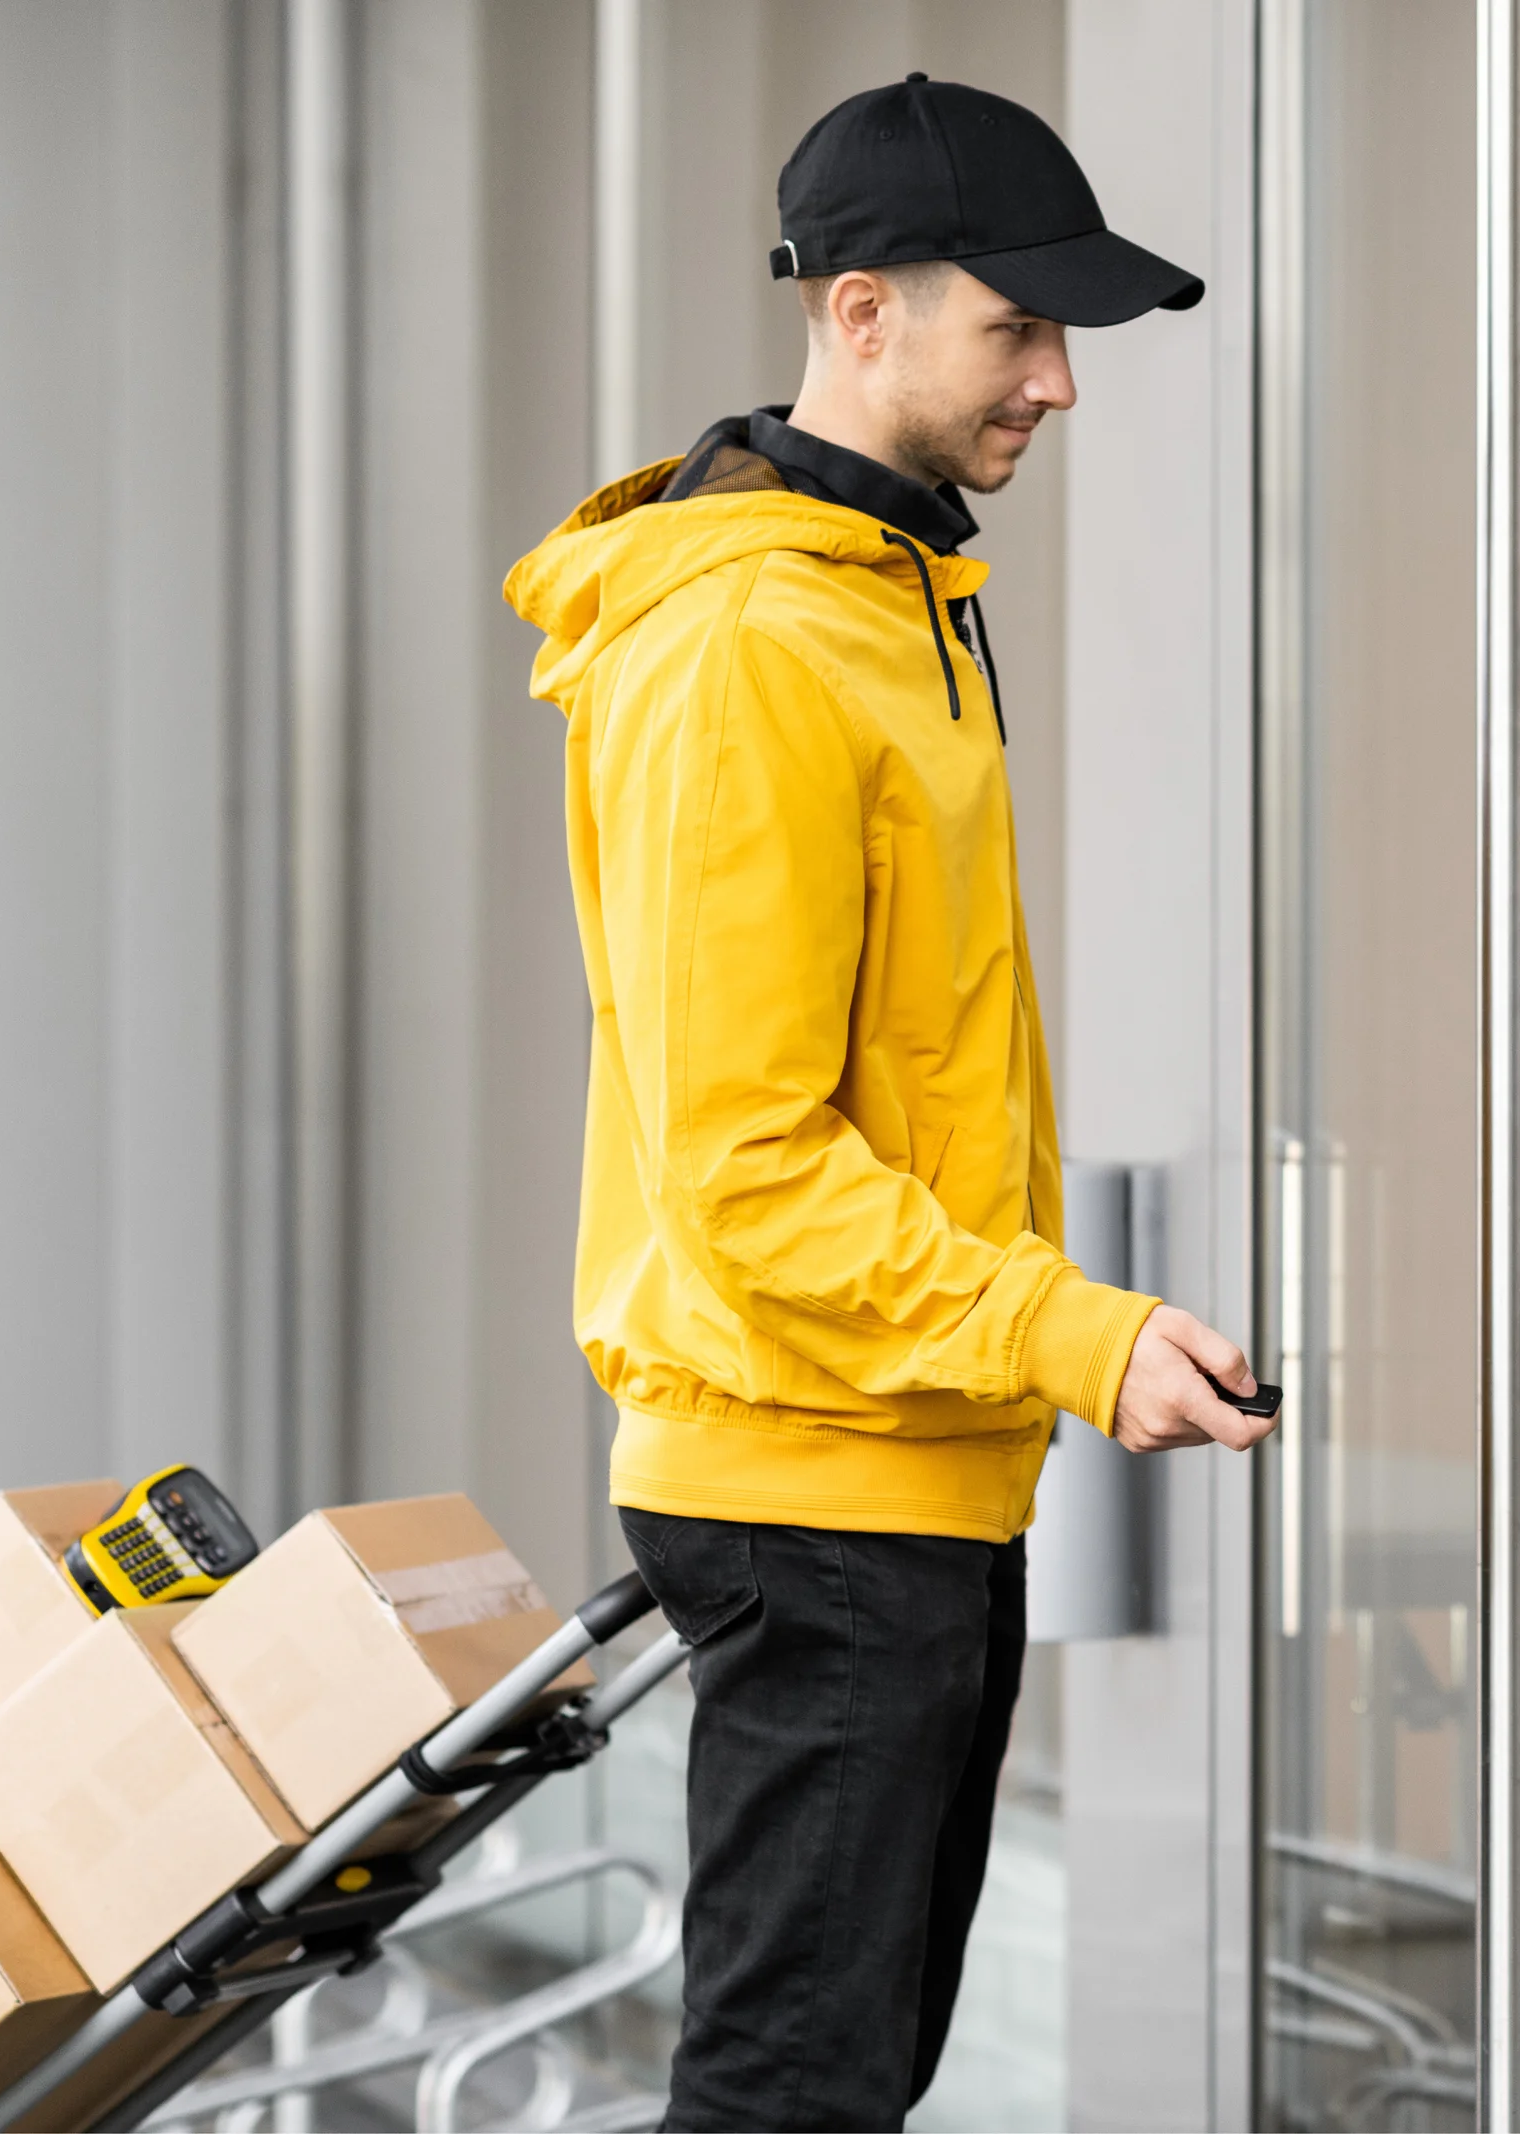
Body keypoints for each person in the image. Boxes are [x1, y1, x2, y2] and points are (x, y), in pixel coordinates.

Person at [503, 76, 1274, 2132]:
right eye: (1016, 328)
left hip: (901, 1460)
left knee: (837, 2082)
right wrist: (1076, 1328)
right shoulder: (754, 640)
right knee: (791, 2093)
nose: (1058, 382)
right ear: (861, 312)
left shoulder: (889, 598)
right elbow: (744, 1164)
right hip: (814, 1473)